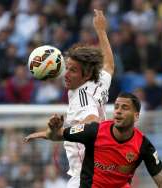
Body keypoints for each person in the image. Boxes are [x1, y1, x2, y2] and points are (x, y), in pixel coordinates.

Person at [25, 9, 114, 188]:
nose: (66, 74)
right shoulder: (98, 81)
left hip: (86, 177)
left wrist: (57, 133)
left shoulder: (83, 98)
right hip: (102, 174)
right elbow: (109, 65)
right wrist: (101, 31)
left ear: (86, 74)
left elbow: (92, 125)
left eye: (73, 70)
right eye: (67, 67)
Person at [25, 93, 162, 188]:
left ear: (136, 116)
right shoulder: (95, 131)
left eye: (124, 108)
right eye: (117, 107)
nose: (118, 111)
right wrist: (51, 129)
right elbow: (57, 136)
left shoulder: (143, 145)